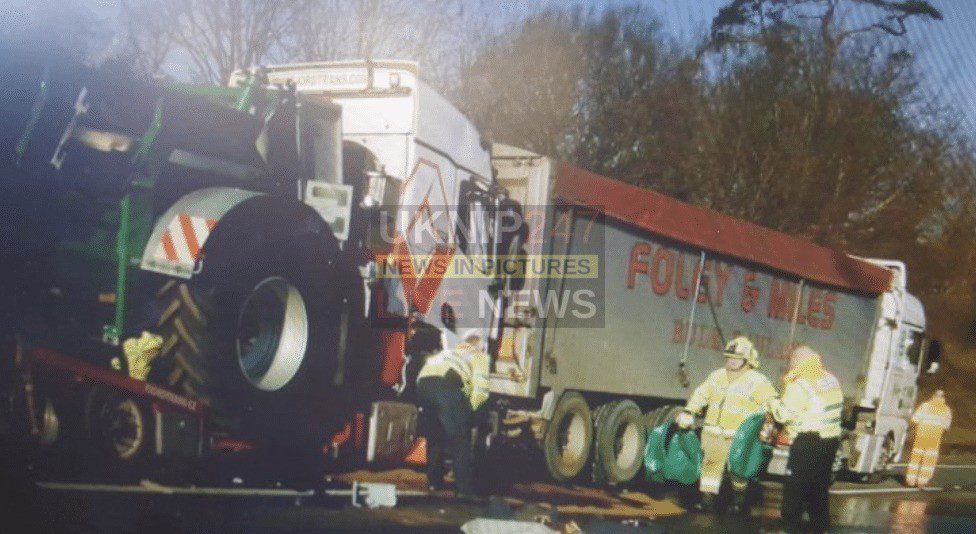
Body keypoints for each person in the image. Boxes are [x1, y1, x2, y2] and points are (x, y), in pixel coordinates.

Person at [676, 336, 778, 513]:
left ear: (747, 360)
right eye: (729, 357)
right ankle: (707, 501)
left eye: (736, 358)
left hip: (738, 437)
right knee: (709, 467)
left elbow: (771, 404)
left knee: (738, 471)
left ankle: (739, 501)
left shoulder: (758, 381)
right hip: (712, 434)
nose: (731, 361)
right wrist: (689, 411)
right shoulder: (717, 376)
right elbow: (701, 394)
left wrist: (769, 425)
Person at [772, 345, 844, 533]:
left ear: (797, 360)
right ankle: (821, 527)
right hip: (829, 441)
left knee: (794, 487)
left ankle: (790, 527)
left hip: (808, 442)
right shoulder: (830, 379)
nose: (790, 364)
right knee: (818, 487)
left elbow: (783, 414)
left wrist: (772, 403)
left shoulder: (800, 383)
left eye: (791, 360)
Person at [415, 329, 490, 499]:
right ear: (481, 347)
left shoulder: (448, 352)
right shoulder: (479, 356)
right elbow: (481, 392)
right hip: (446, 385)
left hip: (423, 383)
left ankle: (434, 481)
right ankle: (464, 490)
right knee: (460, 439)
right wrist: (469, 415)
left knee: (435, 435)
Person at [905, 390, 952, 488]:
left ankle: (910, 480)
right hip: (934, 439)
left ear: (933, 396)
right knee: (929, 460)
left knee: (916, 458)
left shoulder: (925, 405)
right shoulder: (946, 409)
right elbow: (946, 426)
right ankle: (922, 481)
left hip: (921, 436)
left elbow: (914, 419)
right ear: (944, 398)